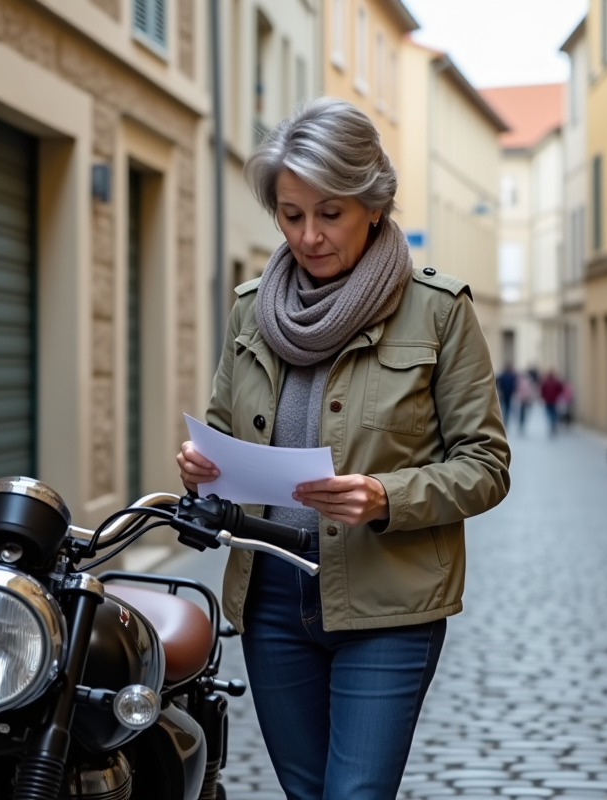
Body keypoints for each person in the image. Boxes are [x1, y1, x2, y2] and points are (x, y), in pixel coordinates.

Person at [175, 97, 511, 800]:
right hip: (269, 597)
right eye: (291, 215)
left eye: (330, 213)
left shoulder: (440, 311)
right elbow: (222, 430)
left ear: (374, 205)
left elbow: (485, 466)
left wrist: (384, 496)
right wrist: (201, 469)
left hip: (387, 605)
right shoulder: (250, 308)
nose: (308, 236)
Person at [541, 369, 564, 437]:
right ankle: (553, 423)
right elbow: (560, 389)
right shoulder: (556, 381)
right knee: (553, 412)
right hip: (554, 400)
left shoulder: (545, 382)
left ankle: (551, 422)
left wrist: (543, 397)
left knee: (549, 412)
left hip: (548, 400)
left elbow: (542, 390)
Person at [496, 362, 517, 427]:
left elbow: (497, 382)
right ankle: (505, 420)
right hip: (508, 394)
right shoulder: (512, 376)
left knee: (503, 407)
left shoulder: (502, 375)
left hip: (504, 393)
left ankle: (504, 419)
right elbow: (514, 385)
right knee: (507, 407)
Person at [515, 368, 535, 434]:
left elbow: (518, 389)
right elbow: (530, 390)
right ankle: (522, 422)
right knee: (523, 411)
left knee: (522, 411)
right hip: (525, 398)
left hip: (522, 398)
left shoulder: (520, 381)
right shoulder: (528, 381)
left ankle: (521, 422)